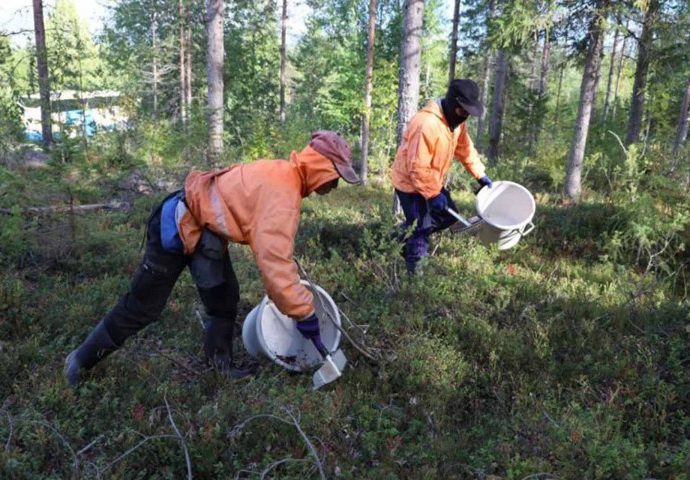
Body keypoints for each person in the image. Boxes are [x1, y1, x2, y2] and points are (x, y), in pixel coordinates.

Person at [64, 131, 361, 385]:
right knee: (143, 307)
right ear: (320, 168)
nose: (333, 187)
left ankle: (220, 366)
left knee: (224, 300)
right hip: (177, 224)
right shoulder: (283, 193)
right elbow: (276, 265)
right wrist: (304, 312)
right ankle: (80, 361)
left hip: (206, 235)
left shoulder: (283, 174)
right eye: (334, 177)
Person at [391, 79, 493, 274]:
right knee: (422, 226)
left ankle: (399, 237)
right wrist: (432, 194)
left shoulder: (456, 124)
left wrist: (480, 175)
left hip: (431, 180)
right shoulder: (426, 123)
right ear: (453, 103)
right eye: (462, 111)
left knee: (447, 217)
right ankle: (416, 273)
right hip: (410, 184)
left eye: (468, 113)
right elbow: (417, 167)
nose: (465, 117)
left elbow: (465, 149)